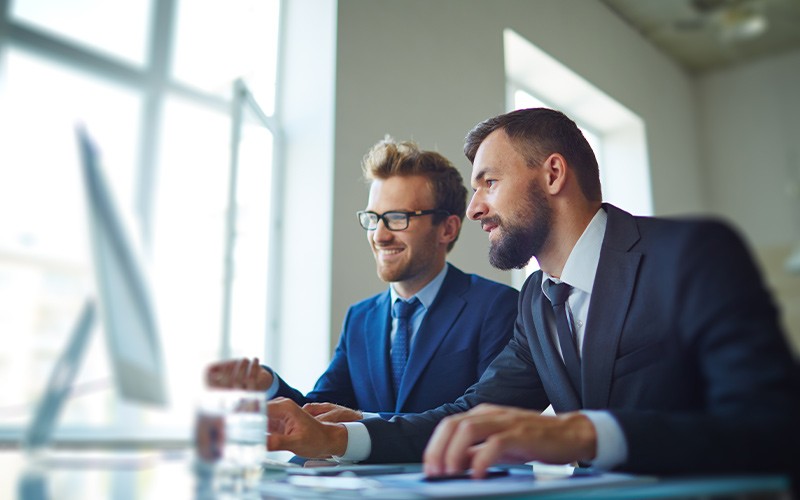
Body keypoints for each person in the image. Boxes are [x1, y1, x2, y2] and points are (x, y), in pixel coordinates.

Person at [266, 108, 800, 484]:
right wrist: (337, 440)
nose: (474, 209)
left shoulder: (692, 254)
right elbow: (468, 416)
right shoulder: (535, 304)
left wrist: (585, 434)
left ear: (552, 174)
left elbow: (772, 428)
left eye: (488, 183)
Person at [206, 137, 518, 422]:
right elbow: (319, 417)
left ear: (447, 229)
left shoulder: (495, 307)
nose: (379, 235)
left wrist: (363, 426)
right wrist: (268, 385)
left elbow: (484, 420)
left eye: (397, 218)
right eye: (373, 219)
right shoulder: (360, 318)